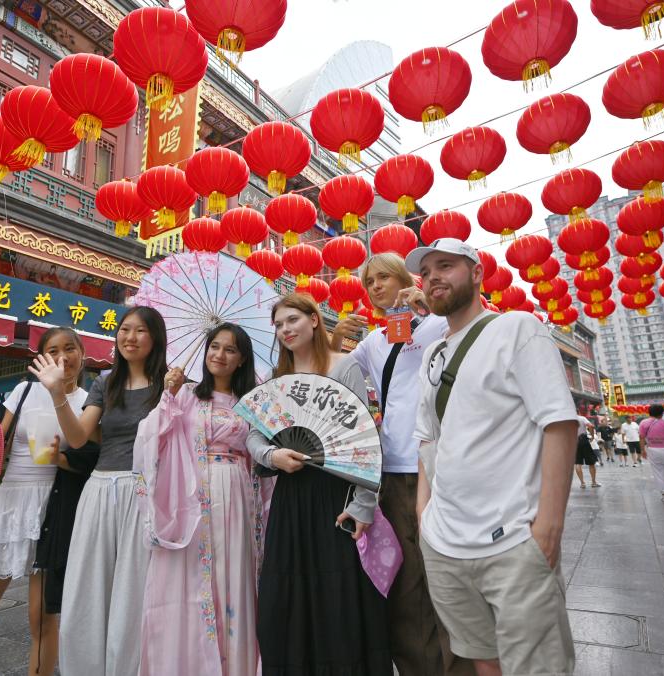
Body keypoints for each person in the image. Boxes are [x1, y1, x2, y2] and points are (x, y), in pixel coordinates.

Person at [409, 239, 578, 676]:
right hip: (444, 541)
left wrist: (548, 526)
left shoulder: (517, 328)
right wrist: (424, 515)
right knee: (482, 658)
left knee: (536, 667)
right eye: (425, 273)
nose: (433, 278)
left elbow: (558, 423)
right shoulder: (432, 354)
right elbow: (427, 439)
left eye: (445, 266)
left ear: (477, 273)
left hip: (514, 539)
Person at [330, 252, 466, 676]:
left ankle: (463, 666)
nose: (375, 287)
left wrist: (427, 307)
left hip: (439, 468)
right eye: (369, 282)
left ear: (405, 280)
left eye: (383, 278)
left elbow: (476, 331)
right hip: (392, 472)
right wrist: (333, 340)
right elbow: (332, 378)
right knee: (405, 584)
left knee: (447, 574)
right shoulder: (374, 342)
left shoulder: (441, 324)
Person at [246, 293, 392, 675]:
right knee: (286, 595)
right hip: (290, 497)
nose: (285, 329)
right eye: (279, 325)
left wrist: (363, 506)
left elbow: (367, 439)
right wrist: (272, 456)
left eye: (292, 320)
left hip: (337, 496)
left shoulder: (345, 367)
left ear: (314, 320)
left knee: (337, 593)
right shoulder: (275, 379)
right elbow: (254, 437)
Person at [29, 306, 167, 676]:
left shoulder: (169, 384)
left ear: (155, 338)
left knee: (133, 588)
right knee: (87, 584)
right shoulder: (105, 383)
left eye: (140, 330)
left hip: (144, 492)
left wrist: (175, 393)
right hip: (101, 488)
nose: (130, 337)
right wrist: (57, 394)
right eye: (125, 329)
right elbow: (77, 437)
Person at [0, 327, 88, 676]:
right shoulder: (24, 391)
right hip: (10, 507)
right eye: (53, 350)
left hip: (53, 513)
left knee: (42, 623)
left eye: (70, 348)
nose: (62, 357)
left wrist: (61, 459)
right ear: (40, 358)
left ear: (83, 355)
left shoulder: (88, 401)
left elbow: (89, 461)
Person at [134, 323, 267, 676]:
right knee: (195, 577)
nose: (219, 355)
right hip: (192, 497)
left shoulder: (251, 403)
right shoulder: (187, 394)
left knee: (234, 574)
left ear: (242, 359)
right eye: (214, 347)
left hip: (238, 496)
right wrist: (168, 397)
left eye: (230, 349)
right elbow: (151, 437)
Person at [575, 416, 601, 488]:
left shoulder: (568, 420)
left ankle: (582, 483)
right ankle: (593, 482)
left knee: (578, 463)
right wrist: (592, 436)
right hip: (583, 440)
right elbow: (591, 426)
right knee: (591, 462)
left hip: (574, 441)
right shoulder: (582, 418)